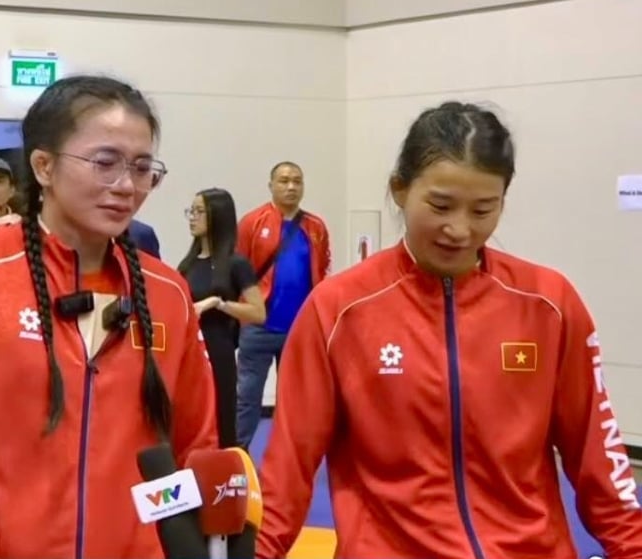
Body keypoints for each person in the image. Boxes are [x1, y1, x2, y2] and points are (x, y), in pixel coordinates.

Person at [256, 102, 642, 559]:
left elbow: (599, 456)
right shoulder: (339, 310)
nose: (459, 229)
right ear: (400, 189)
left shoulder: (549, 304)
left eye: (483, 210)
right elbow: (288, 467)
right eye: (440, 205)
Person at [0, 75, 218, 558]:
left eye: (141, 168)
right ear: (44, 166)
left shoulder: (167, 295)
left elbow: (193, 448)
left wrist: (152, 535)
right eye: (105, 163)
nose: (126, 186)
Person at [235, 161, 330, 448]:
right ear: (271, 185)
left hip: (299, 329)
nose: (291, 187)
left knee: (296, 400)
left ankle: (290, 457)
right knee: (247, 396)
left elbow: (323, 268)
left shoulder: (315, 227)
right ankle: (238, 455)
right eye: (284, 180)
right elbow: (239, 268)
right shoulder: (254, 222)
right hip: (258, 327)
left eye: (297, 181)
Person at [177, 188, 265, 448]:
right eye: (191, 211)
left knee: (222, 415)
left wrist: (219, 304)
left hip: (219, 349)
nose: (193, 217)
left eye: (199, 211)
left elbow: (258, 312)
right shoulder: (188, 264)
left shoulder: (236, 264)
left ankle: (227, 476)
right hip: (191, 348)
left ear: (217, 216)